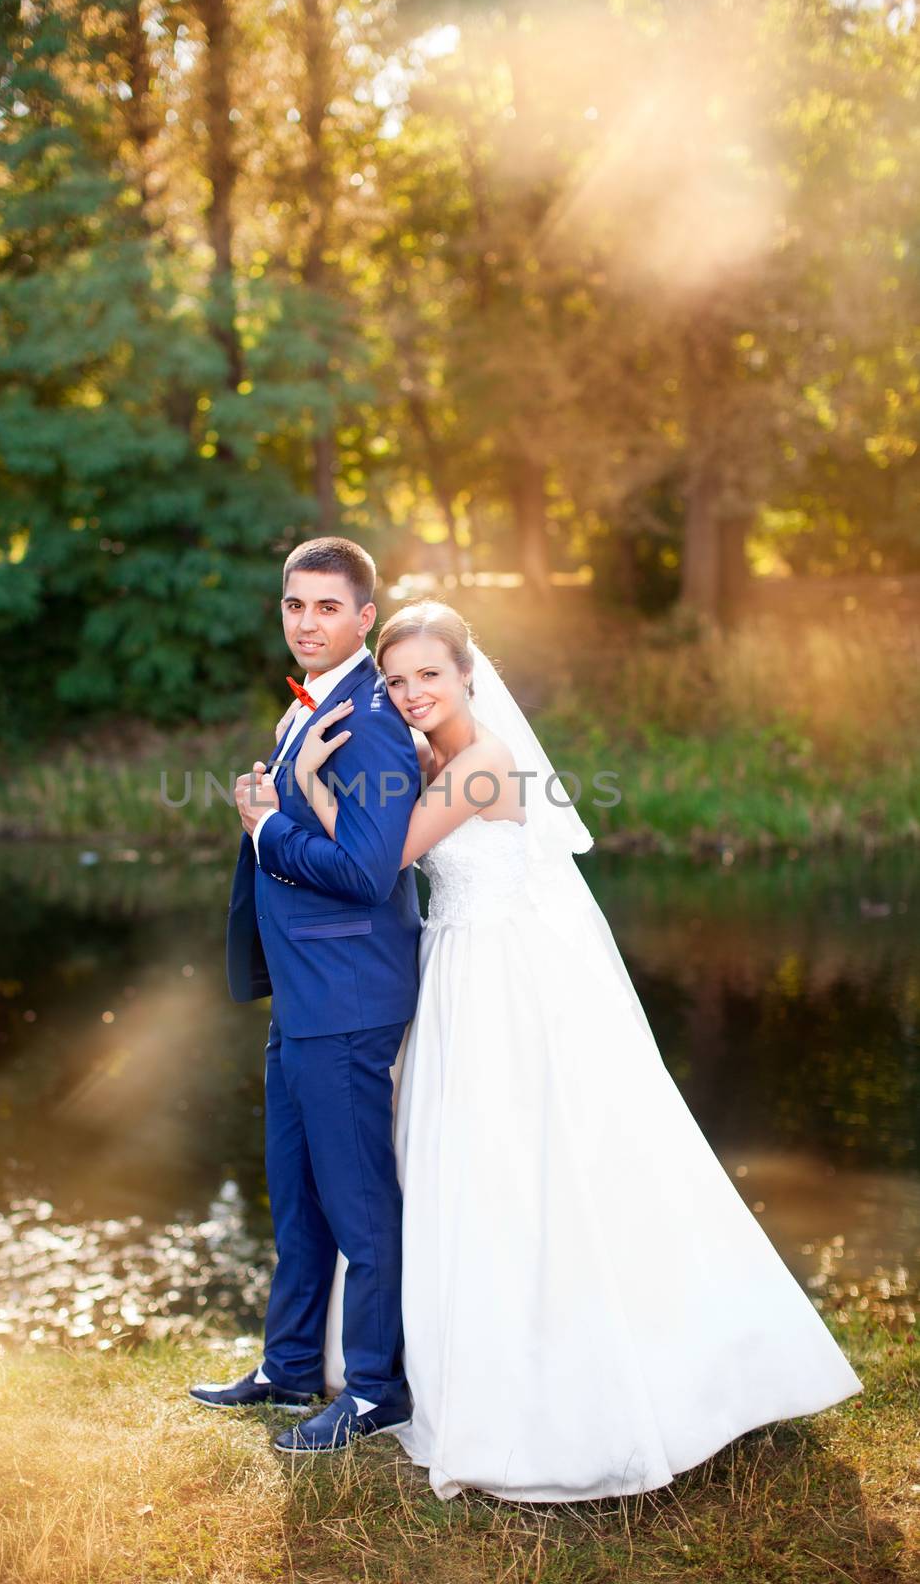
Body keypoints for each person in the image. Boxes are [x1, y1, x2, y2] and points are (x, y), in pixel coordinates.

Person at [284, 597, 864, 1502]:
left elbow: (386, 856)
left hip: (506, 981)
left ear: (469, 674)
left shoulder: (483, 761)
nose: (408, 693)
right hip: (455, 973)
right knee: (468, 1167)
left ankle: (588, 1383)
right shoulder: (429, 755)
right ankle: (463, 1365)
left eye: (428, 675)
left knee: (531, 1161)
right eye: (394, 680)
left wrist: (308, 791)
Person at [188, 536, 422, 1453]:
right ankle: (290, 1369)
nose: (307, 622)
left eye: (328, 607)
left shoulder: (368, 717)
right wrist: (273, 803)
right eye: (295, 605)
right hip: (304, 995)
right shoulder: (310, 706)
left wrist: (267, 825)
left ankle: (373, 1391)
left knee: (359, 1204)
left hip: (350, 996)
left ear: (365, 616)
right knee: (296, 1195)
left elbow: (366, 873)